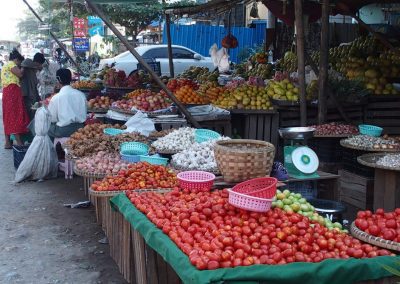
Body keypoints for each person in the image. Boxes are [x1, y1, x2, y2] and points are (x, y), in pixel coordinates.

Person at [0, 49, 29, 148]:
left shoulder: (5, 65)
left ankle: (8, 142)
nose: (19, 65)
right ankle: (19, 142)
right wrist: (24, 67)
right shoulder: (11, 64)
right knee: (14, 115)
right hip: (12, 91)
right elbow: (20, 74)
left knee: (8, 116)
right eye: (19, 62)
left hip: (7, 92)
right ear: (16, 60)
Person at [46, 68, 87, 138]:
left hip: (63, 131)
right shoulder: (81, 95)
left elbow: (52, 118)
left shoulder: (56, 98)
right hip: (80, 128)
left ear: (58, 80)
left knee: (42, 125)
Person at [20, 53, 46, 120]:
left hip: (33, 94)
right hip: (27, 94)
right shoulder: (28, 66)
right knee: (30, 111)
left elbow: (35, 85)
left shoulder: (34, 72)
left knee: (33, 111)